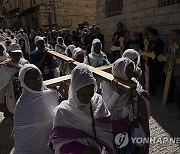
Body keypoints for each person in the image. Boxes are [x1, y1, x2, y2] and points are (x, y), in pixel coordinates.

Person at [49, 64, 113, 154]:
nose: (88, 98)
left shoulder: (97, 101)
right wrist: (83, 150)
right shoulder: (64, 112)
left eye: (91, 94)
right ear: (75, 92)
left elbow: (105, 132)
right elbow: (59, 143)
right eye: (83, 95)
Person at [101, 57, 150, 154]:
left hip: (129, 123)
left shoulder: (133, 83)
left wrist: (135, 96)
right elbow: (106, 108)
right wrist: (116, 92)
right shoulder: (108, 84)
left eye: (132, 70)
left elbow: (144, 98)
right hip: (113, 126)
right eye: (127, 70)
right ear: (119, 70)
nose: (130, 74)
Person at [14, 64, 59, 154]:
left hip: (51, 142)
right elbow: (24, 136)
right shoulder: (22, 105)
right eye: (31, 79)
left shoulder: (51, 95)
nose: (37, 81)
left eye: (39, 77)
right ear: (23, 81)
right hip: (34, 146)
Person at [0, 49, 28, 123]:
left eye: (18, 54)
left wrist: (14, 65)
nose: (16, 56)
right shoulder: (5, 66)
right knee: (12, 106)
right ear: (10, 55)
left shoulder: (25, 62)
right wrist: (1, 100)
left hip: (24, 91)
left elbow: (27, 71)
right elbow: (2, 84)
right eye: (14, 54)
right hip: (12, 91)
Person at [148, 28, 165, 95]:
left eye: (149, 34)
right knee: (150, 76)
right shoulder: (151, 41)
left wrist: (151, 52)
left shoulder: (160, 42)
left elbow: (158, 52)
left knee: (154, 77)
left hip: (156, 63)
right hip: (150, 62)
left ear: (152, 34)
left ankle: (153, 91)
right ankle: (149, 89)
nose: (148, 35)